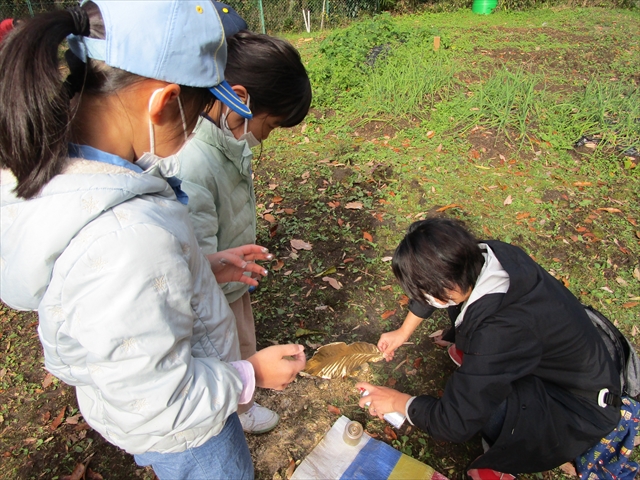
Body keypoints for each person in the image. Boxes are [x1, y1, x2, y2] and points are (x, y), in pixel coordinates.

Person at [0, 2, 305, 479]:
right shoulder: (128, 236)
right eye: (201, 108)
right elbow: (161, 399)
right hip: (189, 433)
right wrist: (252, 375)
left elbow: (119, 299)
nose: (198, 126)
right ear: (161, 103)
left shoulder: (66, 174)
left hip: (149, 409)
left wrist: (197, 264)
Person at [358, 218, 621, 479]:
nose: (424, 299)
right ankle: (481, 366)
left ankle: (506, 459)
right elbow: (442, 283)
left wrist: (396, 400)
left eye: (424, 293)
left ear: (443, 288)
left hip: (576, 412)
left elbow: (454, 422)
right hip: (569, 365)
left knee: (485, 407)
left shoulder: (496, 332)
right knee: (481, 366)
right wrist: (404, 331)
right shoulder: (487, 254)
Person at [175, 31, 312, 433]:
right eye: (270, 125)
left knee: (242, 340)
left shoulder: (229, 134)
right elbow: (195, 269)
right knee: (222, 351)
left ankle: (244, 397)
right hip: (211, 292)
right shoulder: (193, 163)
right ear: (239, 96)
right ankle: (233, 409)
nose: (265, 136)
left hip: (233, 277)